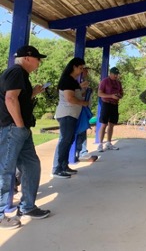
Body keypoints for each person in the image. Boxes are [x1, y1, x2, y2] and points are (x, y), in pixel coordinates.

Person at [0, 45, 50, 229]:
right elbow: (10, 99)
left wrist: (34, 92)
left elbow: (17, 98)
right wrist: (20, 125)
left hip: (20, 129)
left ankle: (27, 206)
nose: (39, 62)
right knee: (5, 169)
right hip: (13, 128)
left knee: (31, 165)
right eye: (38, 58)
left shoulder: (19, 75)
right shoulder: (16, 72)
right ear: (28, 58)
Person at [52, 57, 89, 178]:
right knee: (65, 141)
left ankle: (64, 165)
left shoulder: (72, 81)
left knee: (69, 140)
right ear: (74, 67)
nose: (82, 70)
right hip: (67, 114)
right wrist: (84, 103)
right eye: (80, 68)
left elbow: (76, 94)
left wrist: (83, 88)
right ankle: (57, 168)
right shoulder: (67, 80)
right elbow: (70, 98)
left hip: (72, 115)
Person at [97, 67, 123, 152]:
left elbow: (122, 94)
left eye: (117, 74)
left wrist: (119, 95)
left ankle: (108, 143)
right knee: (104, 124)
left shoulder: (118, 83)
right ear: (110, 74)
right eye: (114, 74)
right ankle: (100, 144)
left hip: (115, 105)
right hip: (106, 104)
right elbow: (99, 93)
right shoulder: (105, 81)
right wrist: (111, 96)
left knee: (111, 125)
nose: (116, 76)